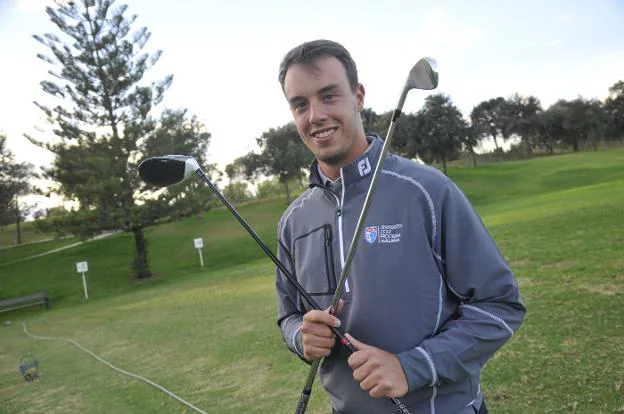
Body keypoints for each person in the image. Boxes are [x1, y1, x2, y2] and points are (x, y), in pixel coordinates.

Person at [275, 39, 526, 414]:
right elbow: (289, 315)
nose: (315, 116)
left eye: (329, 96)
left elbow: (500, 305)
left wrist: (414, 366)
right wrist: (300, 336)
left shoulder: (427, 191)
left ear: (358, 96)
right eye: (300, 104)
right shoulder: (293, 222)